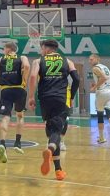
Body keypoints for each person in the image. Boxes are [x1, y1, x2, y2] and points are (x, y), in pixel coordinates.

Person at [27, 39, 79, 181]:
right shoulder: (67, 61)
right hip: (61, 98)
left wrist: (31, 97)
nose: (40, 51)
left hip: (45, 98)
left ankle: (58, 170)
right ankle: (50, 150)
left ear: (46, 48)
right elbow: (77, 79)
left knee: (51, 130)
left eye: (41, 48)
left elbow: (32, 76)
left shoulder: (38, 61)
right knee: (56, 132)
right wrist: (72, 96)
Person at [0, 41, 30, 163]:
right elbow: (26, 66)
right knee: (20, 115)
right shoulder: (22, 57)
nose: (3, 51)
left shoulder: (1, 59)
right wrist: (24, 80)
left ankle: (2, 144)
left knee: (5, 117)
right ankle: (17, 142)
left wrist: (2, 86)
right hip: (19, 89)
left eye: (4, 48)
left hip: (5, 90)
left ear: (8, 49)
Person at [89, 54, 110, 144]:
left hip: (102, 93)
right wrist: (96, 84)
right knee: (109, 114)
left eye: (91, 59)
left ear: (97, 59)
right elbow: (106, 79)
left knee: (100, 116)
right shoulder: (105, 67)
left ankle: (102, 138)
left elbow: (103, 78)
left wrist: (95, 88)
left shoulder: (95, 68)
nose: (89, 61)